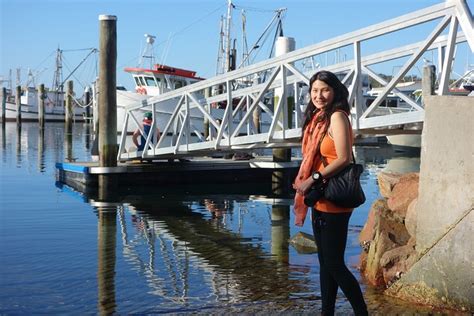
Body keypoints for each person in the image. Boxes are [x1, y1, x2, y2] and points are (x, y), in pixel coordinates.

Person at [292, 70, 368, 315]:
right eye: (314, 90)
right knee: (325, 264)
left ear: (334, 91)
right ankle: (327, 312)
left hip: (335, 197)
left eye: (324, 89)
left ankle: (361, 312)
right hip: (321, 197)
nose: (319, 95)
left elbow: (344, 158)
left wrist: (312, 178)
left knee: (334, 263)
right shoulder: (318, 118)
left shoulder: (337, 116)